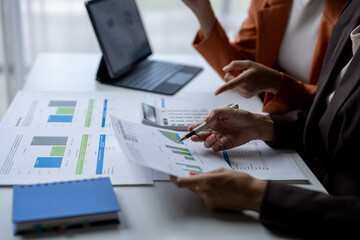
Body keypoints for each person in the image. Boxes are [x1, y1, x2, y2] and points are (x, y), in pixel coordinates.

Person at [172, 0, 360, 237]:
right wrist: (264, 124)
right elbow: (334, 118)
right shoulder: (354, 11)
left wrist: (256, 195)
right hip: (309, 175)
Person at [182, 0, 347, 114]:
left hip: (313, 136)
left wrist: (276, 83)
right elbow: (239, 71)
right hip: (273, 122)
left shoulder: (351, 13)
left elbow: (338, 102)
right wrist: (202, 10)